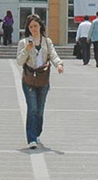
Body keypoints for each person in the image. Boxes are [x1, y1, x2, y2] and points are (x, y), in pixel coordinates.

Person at [16, 13, 63, 148]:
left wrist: (59, 64)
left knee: (40, 110)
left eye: (35, 26)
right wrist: (26, 50)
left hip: (43, 79)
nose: (33, 29)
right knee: (32, 108)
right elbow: (19, 61)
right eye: (31, 27)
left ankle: (36, 133)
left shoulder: (47, 42)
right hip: (29, 79)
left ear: (40, 26)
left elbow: (53, 55)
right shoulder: (24, 43)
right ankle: (31, 139)